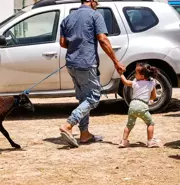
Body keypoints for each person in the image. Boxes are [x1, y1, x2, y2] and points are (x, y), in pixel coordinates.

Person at [59, 0, 126, 147]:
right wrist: (116, 61)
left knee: (84, 98)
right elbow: (102, 39)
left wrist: (76, 45)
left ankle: (84, 134)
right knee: (94, 98)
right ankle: (68, 125)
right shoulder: (94, 16)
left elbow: (63, 43)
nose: (97, 4)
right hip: (86, 63)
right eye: (96, 2)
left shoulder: (67, 18)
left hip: (72, 64)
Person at [118, 63, 162, 148]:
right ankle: (150, 141)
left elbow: (126, 82)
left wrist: (121, 74)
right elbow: (154, 96)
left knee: (129, 125)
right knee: (150, 123)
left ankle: (124, 141)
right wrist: (147, 97)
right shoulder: (151, 83)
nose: (134, 75)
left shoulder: (135, 83)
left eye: (136, 73)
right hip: (142, 106)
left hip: (132, 105)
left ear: (142, 76)